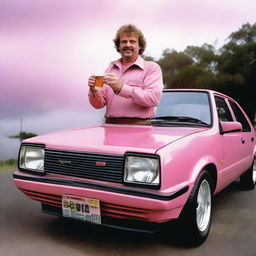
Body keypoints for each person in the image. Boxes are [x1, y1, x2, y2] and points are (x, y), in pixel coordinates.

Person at [88, 24, 163, 124]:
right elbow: (98, 105)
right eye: (124, 42)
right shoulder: (109, 70)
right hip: (111, 126)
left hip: (140, 128)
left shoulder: (152, 68)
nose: (128, 45)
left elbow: (153, 99)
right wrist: (93, 90)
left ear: (140, 45)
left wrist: (121, 88)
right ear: (119, 46)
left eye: (132, 41)